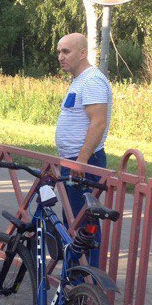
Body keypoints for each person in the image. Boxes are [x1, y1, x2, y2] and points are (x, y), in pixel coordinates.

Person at [54, 32, 112, 266]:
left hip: (84, 165)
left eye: (66, 51)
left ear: (83, 52)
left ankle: (88, 279)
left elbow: (98, 122)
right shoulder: (80, 81)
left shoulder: (92, 81)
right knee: (73, 220)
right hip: (73, 162)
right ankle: (76, 273)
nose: (60, 56)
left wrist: (81, 161)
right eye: (59, 51)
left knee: (84, 224)